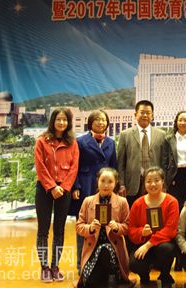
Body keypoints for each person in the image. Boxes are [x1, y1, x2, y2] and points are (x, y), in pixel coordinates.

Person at [34, 108, 79, 282]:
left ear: (68, 123)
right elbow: (40, 167)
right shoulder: (42, 141)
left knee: (59, 230)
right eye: (58, 119)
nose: (61, 123)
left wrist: (64, 187)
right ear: (53, 121)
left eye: (65, 120)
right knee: (43, 230)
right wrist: (52, 186)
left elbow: (74, 167)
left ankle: (55, 266)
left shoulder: (72, 143)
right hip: (45, 189)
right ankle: (44, 267)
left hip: (64, 191)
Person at [70, 110, 117, 272]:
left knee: (105, 225)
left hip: (106, 188)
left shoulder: (111, 142)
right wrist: (75, 186)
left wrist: (116, 188)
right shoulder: (81, 141)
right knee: (84, 225)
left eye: (103, 120)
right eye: (97, 119)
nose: (101, 122)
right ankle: (81, 263)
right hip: (86, 186)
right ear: (90, 122)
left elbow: (114, 167)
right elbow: (74, 166)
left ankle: (104, 264)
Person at [75, 168, 133, 288]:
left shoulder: (122, 202)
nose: (106, 185)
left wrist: (117, 227)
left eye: (110, 181)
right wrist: (90, 228)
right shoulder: (88, 201)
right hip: (92, 249)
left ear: (116, 183)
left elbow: (128, 227)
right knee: (91, 283)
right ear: (97, 181)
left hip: (114, 249)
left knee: (105, 249)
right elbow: (79, 226)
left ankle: (111, 276)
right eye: (102, 181)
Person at [128, 167, 179, 288]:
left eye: (156, 180)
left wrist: (149, 244)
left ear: (163, 181)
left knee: (167, 249)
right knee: (134, 264)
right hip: (142, 244)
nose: (153, 184)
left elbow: (170, 230)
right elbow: (131, 229)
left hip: (162, 244)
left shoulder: (172, 202)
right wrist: (141, 232)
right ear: (144, 183)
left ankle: (165, 275)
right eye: (149, 181)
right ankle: (144, 275)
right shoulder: (137, 204)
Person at [161, 110, 186, 271]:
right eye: (180, 120)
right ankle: (177, 257)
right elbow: (163, 161)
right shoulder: (168, 139)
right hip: (173, 180)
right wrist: (164, 182)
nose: (183, 123)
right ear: (176, 122)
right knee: (175, 219)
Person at [118, 100, 167, 207]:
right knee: (134, 212)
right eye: (142, 112)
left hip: (154, 183)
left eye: (148, 113)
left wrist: (164, 183)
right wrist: (121, 184)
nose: (145, 115)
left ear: (152, 116)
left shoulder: (161, 135)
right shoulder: (125, 135)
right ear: (135, 115)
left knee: (154, 213)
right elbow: (121, 163)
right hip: (132, 184)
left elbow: (164, 162)